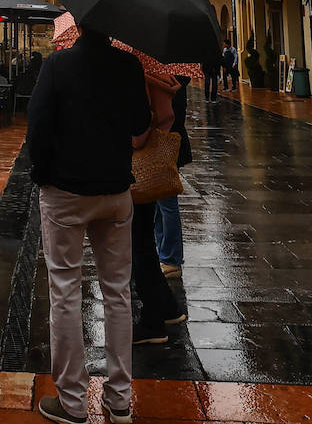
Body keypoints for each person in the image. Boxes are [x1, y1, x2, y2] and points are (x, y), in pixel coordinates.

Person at [27, 27, 150, 424]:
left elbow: (38, 127)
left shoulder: (58, 64)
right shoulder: (128, 65)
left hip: (66, 190)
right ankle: (119, 399)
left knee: (65, 291)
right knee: (118, 293)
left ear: (77, 23)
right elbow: (139, 124)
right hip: (115, 191)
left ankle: (72, 402)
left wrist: (43, 174)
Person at [130, 65, 184, 343]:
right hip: (155, 162)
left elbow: (138, 132)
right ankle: (167, 305)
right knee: (144, 241)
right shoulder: (161, 74)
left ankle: (152, 320)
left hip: (139, 166)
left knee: (138, 243)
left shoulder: (139, 74)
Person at [154, 76, 192, 278]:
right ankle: (165, 254)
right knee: (160, 205)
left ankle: (171, 259)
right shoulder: (177, 80)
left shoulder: (169, 83)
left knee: (166, 204)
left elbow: (166, 117)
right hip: (170, 145)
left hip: (163, 147)